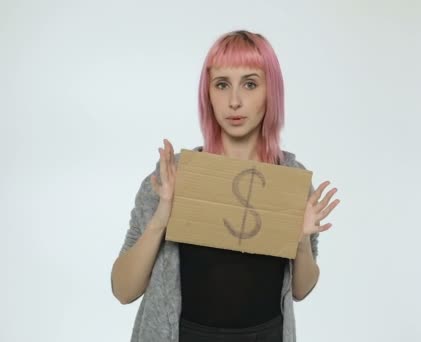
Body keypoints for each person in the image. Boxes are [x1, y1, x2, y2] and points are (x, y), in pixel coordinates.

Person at [111, 30, 340, 342]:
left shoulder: (289, 178)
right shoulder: (174, 174)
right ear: (208, 94)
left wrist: (299, 240)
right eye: (222, 85)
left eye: (250, 83)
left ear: (270, 92)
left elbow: (301, 289)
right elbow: (123, 290)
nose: (234, 101)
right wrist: (162, 218)